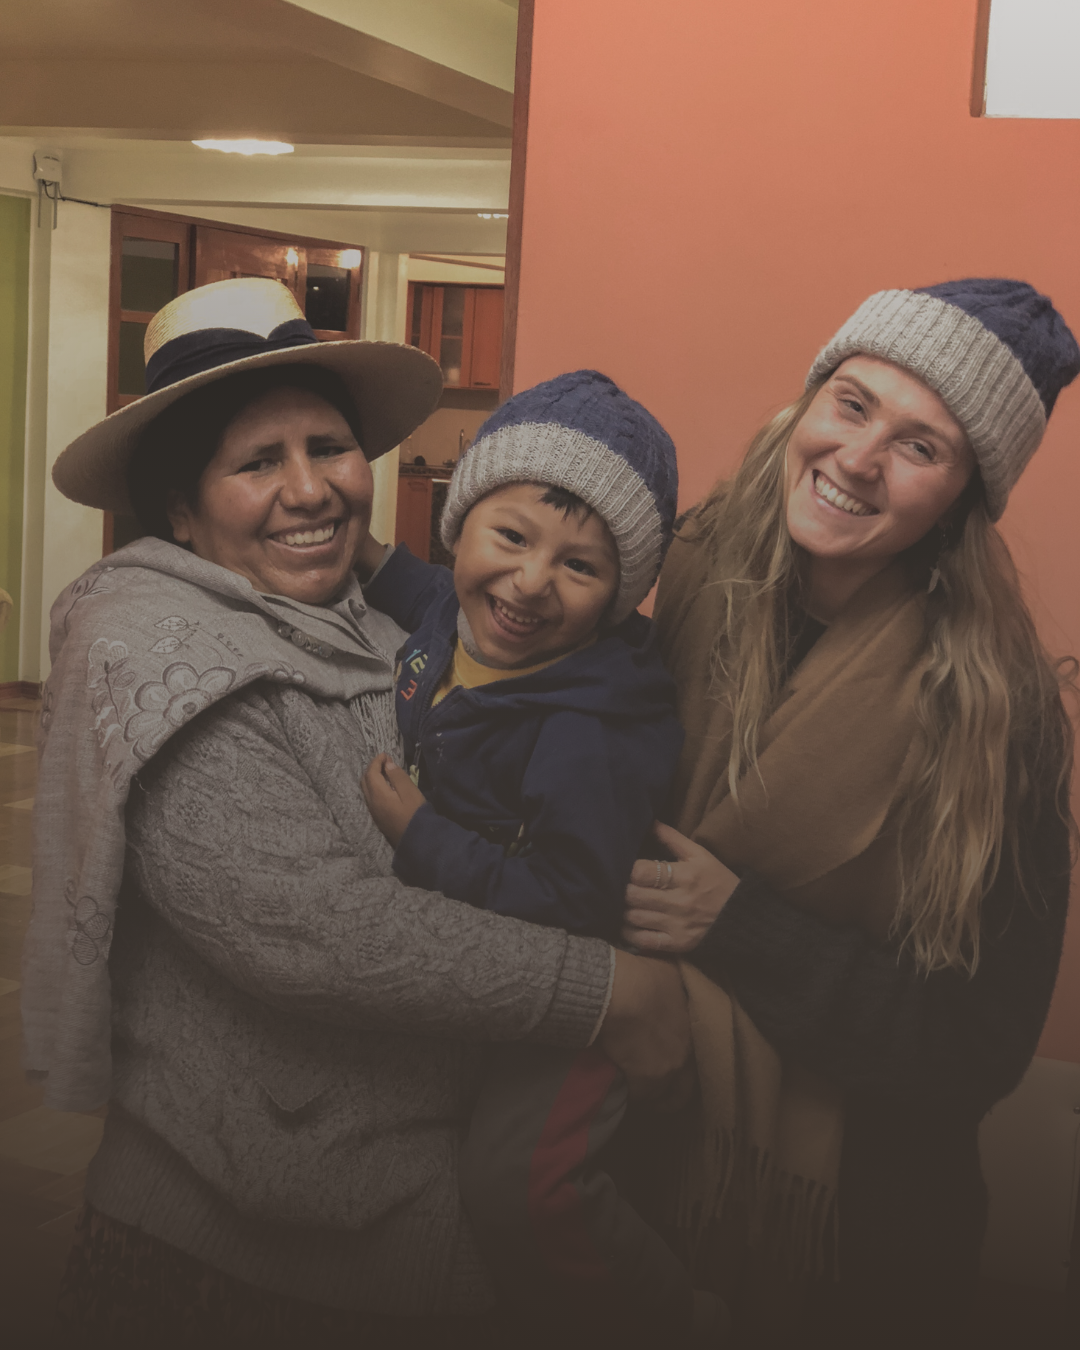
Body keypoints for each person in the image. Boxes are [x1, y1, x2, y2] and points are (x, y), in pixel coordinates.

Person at [21, 277, 691, 1348]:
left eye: (328, 448)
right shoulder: (160, 650)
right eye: (257, 462)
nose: (311, 490)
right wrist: (607, 990)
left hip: (413, 1205)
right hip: (234, 1245)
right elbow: (311, 928)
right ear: (182, 509)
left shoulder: (385, 617)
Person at [620, 279, 1078, 1349]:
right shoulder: (682, 574)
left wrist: (738, 925)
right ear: (810, 399)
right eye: (853, 402)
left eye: (921, 446)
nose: (859, 459)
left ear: (962, 499)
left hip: (860, 1244)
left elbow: (977, 1050)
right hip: (632, 1164)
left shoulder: (997, 716)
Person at [358, 371, 724, 1343]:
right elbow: (416, 585)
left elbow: (573, 898)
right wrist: (356, 549)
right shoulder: (454, 613)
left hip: (582, 1001)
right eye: (510, 537)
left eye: (580, 566)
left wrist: (423, 838)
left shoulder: (590, 728)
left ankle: (676, 1317)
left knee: (520, 1184)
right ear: (462, 527)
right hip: (485, 968)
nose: (528, 583)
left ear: (618, 596)